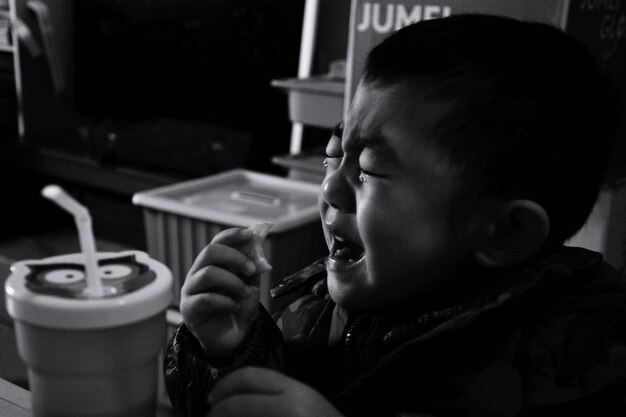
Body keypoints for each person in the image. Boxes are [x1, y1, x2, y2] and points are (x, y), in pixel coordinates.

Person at [164, 14, 626, 417]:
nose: (328, 187)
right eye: (333, 155)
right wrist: (231, 350)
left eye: (367, 169)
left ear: (504, 232)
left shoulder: (576, 368)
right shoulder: (312, 307)